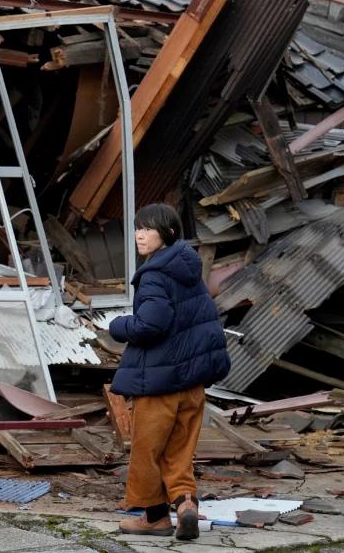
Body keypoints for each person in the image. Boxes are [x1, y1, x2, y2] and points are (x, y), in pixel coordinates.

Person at [109, 203, 230, 541]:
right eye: (137, 228)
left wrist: (118, 326)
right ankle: (185, 503)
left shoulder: (155, 275)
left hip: (160, 382)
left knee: (147, 452)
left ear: (169, 233)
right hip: (192, 383)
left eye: (148, 229)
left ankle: (155, 518)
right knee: (179, 450)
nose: (139, 234)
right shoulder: (189, 270)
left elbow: (152, 323)